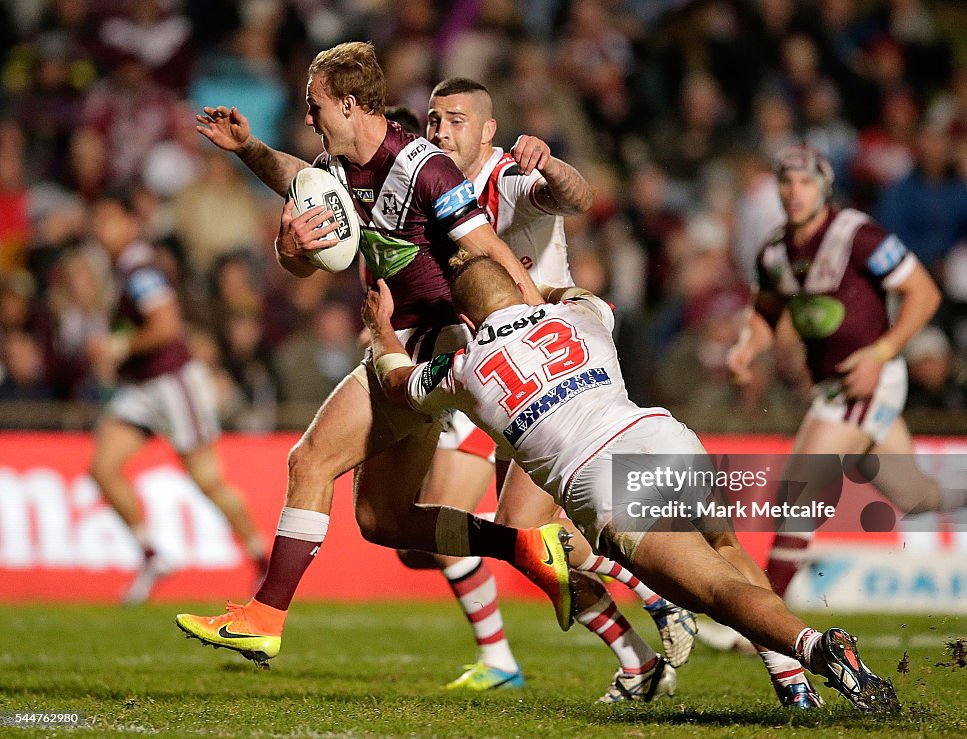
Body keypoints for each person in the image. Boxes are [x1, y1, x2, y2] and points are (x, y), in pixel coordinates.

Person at [176, 42, 574, 668]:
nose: (309, 118)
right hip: (403, 346)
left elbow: (490, 250)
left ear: (352, 104)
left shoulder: (424, 170)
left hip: (433, 350)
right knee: (384, 519)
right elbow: (294, 180)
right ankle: (522, 546)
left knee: (309, 462)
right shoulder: (338, 163)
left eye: (316, 107)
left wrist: (531, 331)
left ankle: (265, 615)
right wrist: (250, 153)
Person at [361, 254, 900, 714]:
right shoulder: (580, 314)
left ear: (464, 316)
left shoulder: (467, 366)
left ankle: (816, 646)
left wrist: (383, 327)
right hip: (663, 437)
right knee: (726, 550)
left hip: (606, 482)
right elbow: (573, 293)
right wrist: (535, 285)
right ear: (521, 288)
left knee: (712, 590)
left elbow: (394, 380)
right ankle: (793, 683)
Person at [398, 77, 697, 700]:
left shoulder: (508, 178)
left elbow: (576, 196)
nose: (440, 130)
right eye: (433, 119)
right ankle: (632, 642)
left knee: (510, 533)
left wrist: (553, 165)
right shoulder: (430, 190)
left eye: (455, 119)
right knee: (492, 535)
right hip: (487, 372)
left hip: (544, 372)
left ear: (486, 130)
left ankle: (638, 622)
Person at [725, 145, 967, 622]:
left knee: (799, 494)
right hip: (833, 385)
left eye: (804, 181)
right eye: (786, 182)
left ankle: (762, 623)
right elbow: (766, 313)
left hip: (868, 381)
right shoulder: (776, 252)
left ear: (824, 187)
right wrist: (747, 346)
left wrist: (881, 353)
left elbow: (923, 293)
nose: (794, 191)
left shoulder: (857, 235)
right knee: (917, 496)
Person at [86, 191, 268, 604]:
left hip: (171, 383)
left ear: (131, 224)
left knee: (207, 480)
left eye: (110, 219)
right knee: (103, 467)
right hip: (144, 386)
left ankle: (262, 559)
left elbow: (166, 327)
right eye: (98, 221)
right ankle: (151, 554)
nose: (101, 230)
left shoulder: (138, 268)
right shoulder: (122, 267)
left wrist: (119, 347)